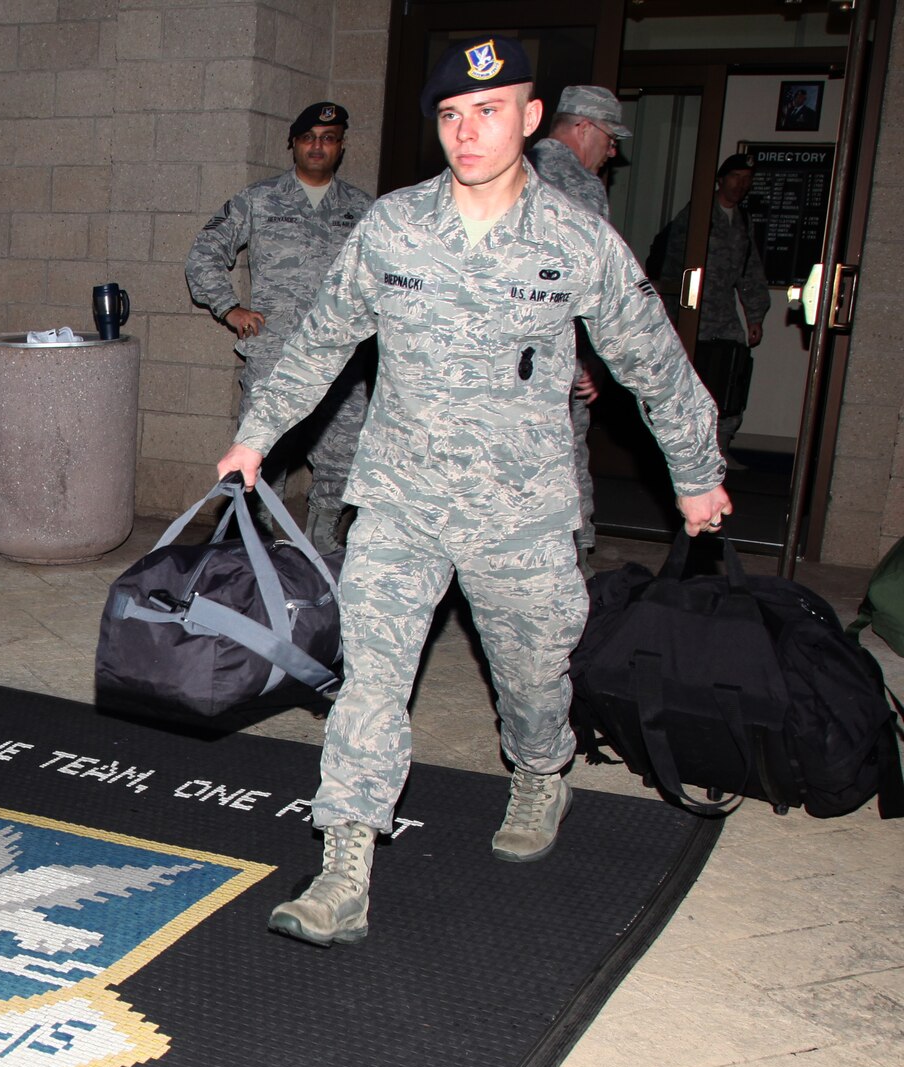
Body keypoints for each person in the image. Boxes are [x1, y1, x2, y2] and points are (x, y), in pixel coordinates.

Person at [212, 35, 734, 947]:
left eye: (488, 112)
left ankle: (539, 770)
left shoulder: (576, 239)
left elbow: (652, 359)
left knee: (534, 677)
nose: (467, 131)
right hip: (400, 499)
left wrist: (697, 474)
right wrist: (256, 436)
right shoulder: (395, 227)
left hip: (519, 511)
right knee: (369, 681)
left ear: (530, 119)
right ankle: (343, 868)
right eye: (452, 115)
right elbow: (322, 340)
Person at [185, 101, 375, 553]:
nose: (317, 146)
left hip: (342, 361)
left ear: (341, 146)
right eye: (308, 138)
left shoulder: (364, 210)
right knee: (261, 454)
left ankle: (323, 536)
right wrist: (229, 308)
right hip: (275, 355)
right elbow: (204, 254)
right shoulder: (259, 199)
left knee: (343, 455)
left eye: (328, 139)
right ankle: (259, 543)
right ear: (293, 143)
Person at [528, 84, 631, 571]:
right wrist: (588, 360)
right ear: (584, 127)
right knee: (563, 469)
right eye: (610, 139)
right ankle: (573, 572)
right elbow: (589, 285)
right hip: (553, 360)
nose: (612, 152)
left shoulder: (512, 170)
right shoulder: (579, 186)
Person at [656, 155, 771, 455]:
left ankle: (720, 449)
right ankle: (685, 451)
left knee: (732, 377)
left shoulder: (742, 221)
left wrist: (755, 316)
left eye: (747, 179)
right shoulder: (698, 215)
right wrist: (671, 318)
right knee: (692, 383)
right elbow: (672, 266)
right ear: (720, 180)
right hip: (692, 313)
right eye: (735, 177)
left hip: (723, 316)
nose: (740, 185)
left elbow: (750, 271)